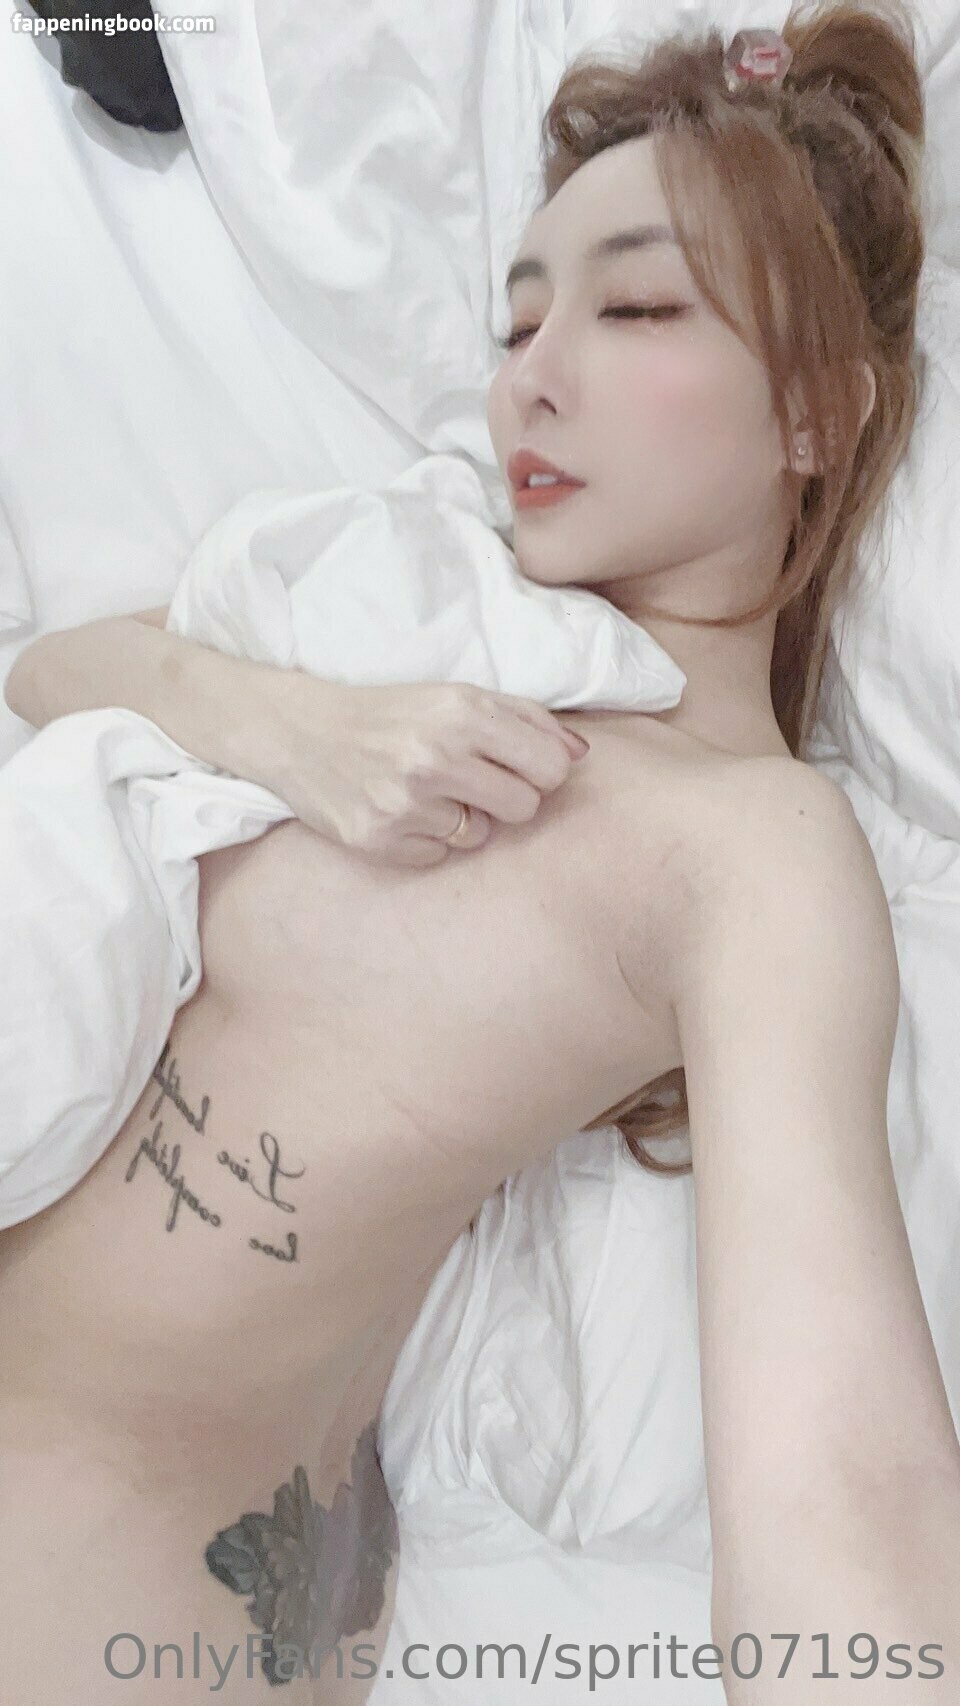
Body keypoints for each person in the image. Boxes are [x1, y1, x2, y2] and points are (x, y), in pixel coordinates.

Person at [3, 5, 959, 1702]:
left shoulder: (757, 848)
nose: (534, 372)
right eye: (521, 316)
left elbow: (843, 1498)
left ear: (818, 412)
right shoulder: (431, 610)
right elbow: (52, 672)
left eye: (636, 307)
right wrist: (298, 730)